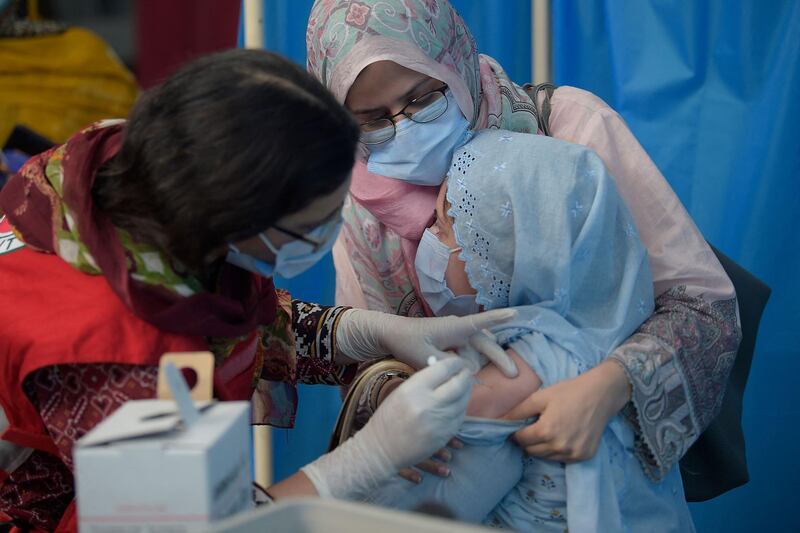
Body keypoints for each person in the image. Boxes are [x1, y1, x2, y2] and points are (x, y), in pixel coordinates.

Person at [0, 49, 518, 531]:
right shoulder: (111, 353)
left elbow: (223, 311)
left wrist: (377, 332)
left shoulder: (135, 167)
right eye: (309, 226)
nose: (326, 237)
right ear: (232, 215)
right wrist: (368, 459)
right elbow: (182, 524)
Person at [306, 0, 741, 481]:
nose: (403, 128)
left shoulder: (569, 128)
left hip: (601, 455)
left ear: (453, 61)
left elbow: (704, 307)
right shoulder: (363, 207)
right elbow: (358, 356)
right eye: (372, 119)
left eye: (421, 98)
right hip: (458, 474)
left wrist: (608, 387)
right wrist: (394, 405)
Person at [351, 129, 695, 531]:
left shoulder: (523, 361)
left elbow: (408, 496)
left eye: (444, 228)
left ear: (513, 252)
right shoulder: (607, 339)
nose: (428, 239)